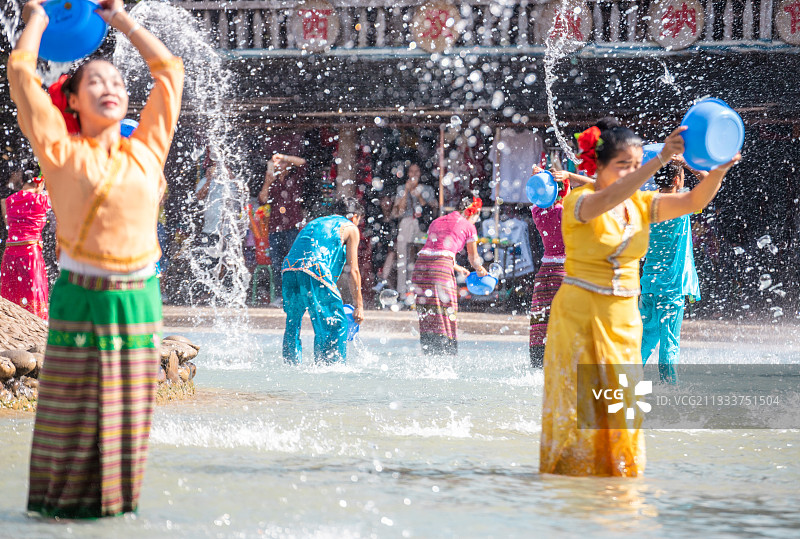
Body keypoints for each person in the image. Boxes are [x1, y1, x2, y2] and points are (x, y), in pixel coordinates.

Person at [9, 0, 183, 517]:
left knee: (126, 423)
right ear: (75, 103)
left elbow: (169, 70)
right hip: (80, 296)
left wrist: (120, 20)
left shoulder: (149, 148)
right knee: (70, 418)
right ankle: (54, 516)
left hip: (138, 299)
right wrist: (37, 19)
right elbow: (21, 73)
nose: (109, 87)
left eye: (116, 82)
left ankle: (113, 515)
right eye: (95, 83)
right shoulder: (60, 152)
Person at [539, 118, 739, 477]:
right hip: (580, 319)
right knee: (583, 410)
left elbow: (693, 201)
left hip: (623, 321)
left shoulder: (640, 204)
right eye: (624, 165)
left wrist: (719, 172)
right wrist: (659, 158)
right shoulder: (580, 202)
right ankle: (570, 491)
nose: (632, 172)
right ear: (598, 165)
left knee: (622, 413)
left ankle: (617, 493)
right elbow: (608, 197)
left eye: (635, 166)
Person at [640, 158, 704, 384]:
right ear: (677, 180)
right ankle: (670, 390)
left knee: (646, 337)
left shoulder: (648, 203)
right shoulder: (682, 203)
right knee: (669, 341)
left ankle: (624, 382)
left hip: (648, 282)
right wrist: (688, 165)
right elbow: (708, 184)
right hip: (672, 285)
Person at [281, 196, 365, 364]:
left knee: (293, 322)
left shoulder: (317, 221)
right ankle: (330, 369)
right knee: (335, 324)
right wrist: (359, 306)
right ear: (355, 216)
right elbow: (353, 270)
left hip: (289, 269)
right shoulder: (350, 227)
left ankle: (291, 366)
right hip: (314, 268)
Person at [528, 166, 593, 368]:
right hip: (564, 273)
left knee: (541, 324)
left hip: (543, 274)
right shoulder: (569, 214)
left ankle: (539, 364)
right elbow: (602, 187)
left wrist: (540, 179)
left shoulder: (537, 212)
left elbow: (537, 195)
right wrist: (571, 177)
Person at [411, 195, 487, 355]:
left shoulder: (437, 221)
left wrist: (457, 267)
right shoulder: (468, 226)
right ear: (472, 212)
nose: (476, 219)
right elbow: (473, 259)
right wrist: (481, 270)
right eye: (477, 215)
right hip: (440, 269)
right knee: (447, 310)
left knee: (428, 312)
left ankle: (429, 354)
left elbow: (435, 249)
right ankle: (446, 356)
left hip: (420, 268)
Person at [0, 163, 51, 319]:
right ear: (39, 182)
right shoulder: (41, 200)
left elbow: (10, 224)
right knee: (32, 305)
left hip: (9, 255)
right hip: (30, 256)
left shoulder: (9, 200)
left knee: (10, 303)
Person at [258, 152, 307, 304]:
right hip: (275, 229)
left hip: (292, 227)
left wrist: (284, 157)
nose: (279, 166)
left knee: (295, 262)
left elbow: (303, 162)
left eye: (283, 164)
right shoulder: (271, 182)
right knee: (278, 263)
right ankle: (281, 296)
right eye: (277, 164)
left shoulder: (294, 179)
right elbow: (262, 200)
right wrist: (267, 181)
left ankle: (298, 295)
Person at [392, 162, 437, 300]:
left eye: (416, 172)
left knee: (422, 257)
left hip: (421, 225)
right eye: (411, 172)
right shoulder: (401, 188)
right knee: (402, 258)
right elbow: (398, 211)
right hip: (406, 222)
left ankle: (421, 290)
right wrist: (406, 191)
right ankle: (401, 292)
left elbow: (430, 208)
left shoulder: (427, 189)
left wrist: (418, 194)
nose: (414, 175)